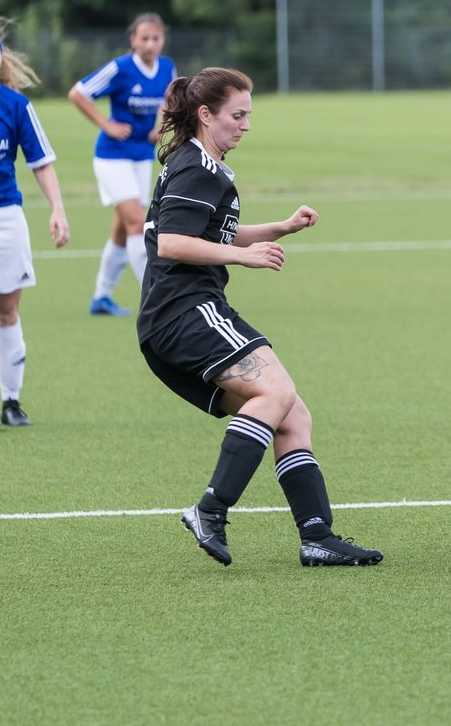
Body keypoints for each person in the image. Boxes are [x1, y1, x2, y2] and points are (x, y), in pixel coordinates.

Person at [138, 67, 382, 567]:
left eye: (249, 114)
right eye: (237, 115)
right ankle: (211, 509)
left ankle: (317, 535)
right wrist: (243, 257)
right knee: (276, 391)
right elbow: (172, 243)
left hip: (180, 315)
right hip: (184, 310)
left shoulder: (207, 163)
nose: (246, 124)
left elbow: (210, 231)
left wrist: (280, 227)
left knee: (292, 414)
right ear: (206, 115)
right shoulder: (195, 167)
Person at [69, 12, 176, 317]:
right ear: (133, 40)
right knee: (136, 222)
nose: (150, 44)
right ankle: (158, 297)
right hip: (112, 156)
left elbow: (170, 100)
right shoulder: (120, 68)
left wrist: (161, 127)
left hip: (142, 157)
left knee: (121, 228)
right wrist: (106, 124)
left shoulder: (167, 68)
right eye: (144, 38)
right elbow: (77, 93)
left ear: (162, 40)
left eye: (156, 38)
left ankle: (101, 297)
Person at [0, 18, 71, 428]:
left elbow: (41, 163)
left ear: (0, 59)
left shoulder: (16, 105)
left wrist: (58, 208)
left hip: (5, 217)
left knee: (6, 310)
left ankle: (11, 400)